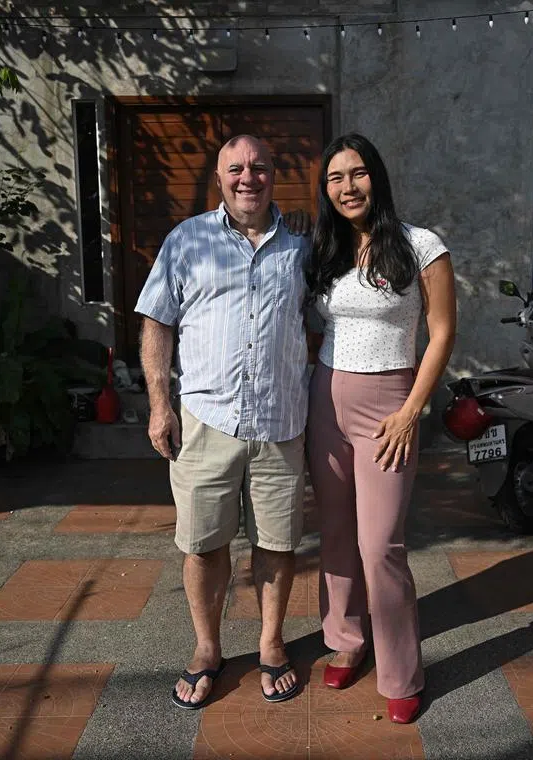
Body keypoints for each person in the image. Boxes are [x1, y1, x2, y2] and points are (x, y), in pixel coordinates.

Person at [136, 134, 311, 710]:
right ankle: (207, 649)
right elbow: (157, 323)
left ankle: (270, 644)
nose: (248, 178)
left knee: (277, 544)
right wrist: (160, 403)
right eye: (235, 169)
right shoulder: (186, 242)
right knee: (204, 545)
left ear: (274, 174)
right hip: (205, 421)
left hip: (281, 422)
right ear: (219, 177)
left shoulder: (304, 249)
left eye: (259, 167)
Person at [304, 133, 457, 724]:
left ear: (378, 178)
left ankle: (400, 672)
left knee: (381, 546)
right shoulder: (327, 249)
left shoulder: (421, 245)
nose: (348, 187)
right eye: (336, 178)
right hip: (325, 401)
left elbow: (442, 332)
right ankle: (345, 640)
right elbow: (319, 328)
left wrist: (412, 410)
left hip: (390, 405)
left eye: (358, 173)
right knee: (336, 535)